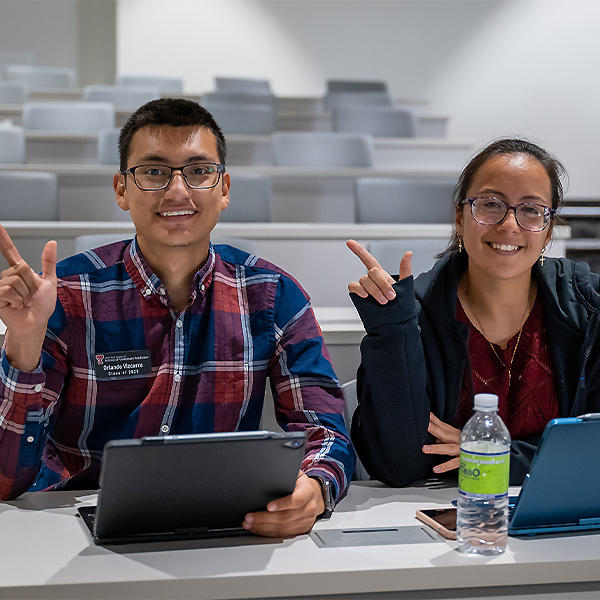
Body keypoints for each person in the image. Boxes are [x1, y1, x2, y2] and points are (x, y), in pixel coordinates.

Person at [0, 98, 354, 537]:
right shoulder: (66, 296)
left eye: (198, 171)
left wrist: (316, 487)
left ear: (223, 188)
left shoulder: (272, 295)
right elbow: (6, 480)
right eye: (154, 172)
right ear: (121, 190)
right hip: (71, 526)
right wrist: (24, 345)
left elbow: (324, 429)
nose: (177, 191)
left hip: (224, 522)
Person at [347, 138, 600, 487]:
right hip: (447, 522)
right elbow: (398, 466)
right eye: (491, 204)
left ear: (548, 231)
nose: (510, 224)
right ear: (459, 217)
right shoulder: (415, 312)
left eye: (531, 210)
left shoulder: (589, 309)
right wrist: (392, 329)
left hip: (561, 520)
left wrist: (497, 456)